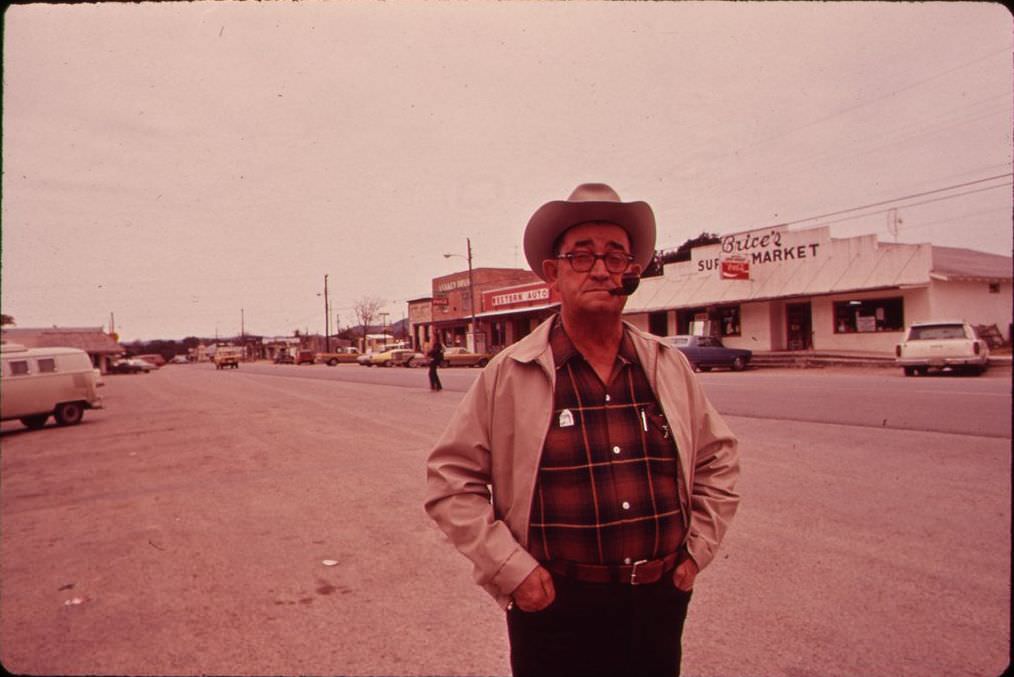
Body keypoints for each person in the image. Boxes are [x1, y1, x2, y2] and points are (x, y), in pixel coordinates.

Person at [425, 183, 741, 677]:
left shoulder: (667, 366)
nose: (600, 269)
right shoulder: (510, 372)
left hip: (658, 603)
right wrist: (514, 571)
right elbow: (450, 482)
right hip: (552, 608)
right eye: (582, 256)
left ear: (631, 273)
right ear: (554, 274)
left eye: (616, 257)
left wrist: (696, 553)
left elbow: (719, 459)